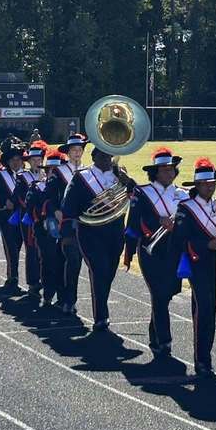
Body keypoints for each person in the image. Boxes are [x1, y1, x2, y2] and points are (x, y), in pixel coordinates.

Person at [61, 146, 135, 330]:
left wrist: (129, 182)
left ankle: (101, 304)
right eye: (102, 155)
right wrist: (68, 232)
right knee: (99, 271)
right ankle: (101, 315)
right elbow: (68, 205)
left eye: (109, 155)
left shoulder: (119, 174)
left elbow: (138, 197)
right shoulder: (81, 177)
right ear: (94, 157)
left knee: (108, 272)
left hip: (115, 232)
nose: (106, 159)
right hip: (90, 233)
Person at [124, 147, 184, 358]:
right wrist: (158, 222)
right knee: (158, 293)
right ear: (155, 172)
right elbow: (135, 222)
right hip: (151, 249)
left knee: (165, 295)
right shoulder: (142, 192)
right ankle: (165, 340)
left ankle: (154, 334)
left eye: (171, 169)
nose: (169, 173)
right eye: (164, 170)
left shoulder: (182, 194)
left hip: (174, 251)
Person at [170, 157, 216, 377]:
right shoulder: (186, 208)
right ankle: (202, 358)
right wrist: (206, 245)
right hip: (196, 262)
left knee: (212, 307)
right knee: (203, 307)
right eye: (205, 184)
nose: (210, 187)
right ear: (196, 185)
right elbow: (180, 240)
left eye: (212, 183)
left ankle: (206, 354)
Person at [48, 133, 86, 313]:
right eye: (74, 150)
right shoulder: (59, 171)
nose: (77, 153)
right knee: (70, 261)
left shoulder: (88, 172)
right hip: (66, 224)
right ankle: (68, 299)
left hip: (86, 225)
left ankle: (67, 297)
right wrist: (55, 210)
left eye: (79, 150)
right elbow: (49, 195)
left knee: (74, 262)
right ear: (68, 153)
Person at [29, 149, 64, 307]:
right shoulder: (37, 186)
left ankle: (63, 297)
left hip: (63, 229)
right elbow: (30, 206)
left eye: (56, 171)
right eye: (50, 171)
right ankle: (48, 294)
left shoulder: (67, 187)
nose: (53, 174)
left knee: (63, 262)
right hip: (43, 229)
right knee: (48, 261)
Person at [0, 144, 25, 293]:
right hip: (6, 216)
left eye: (18, 159)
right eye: (13, 160)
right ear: (8, 162)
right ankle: (13, 276)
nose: (16, 162)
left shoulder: (26, 175)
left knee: (23, 246)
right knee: (11, 246)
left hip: (24, 216)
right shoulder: (0, 175)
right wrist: (4, 201)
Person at [17, 140, 47, 299]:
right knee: (31, 249)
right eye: (34, 160)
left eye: (39, 160)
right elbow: (20, 197)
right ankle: (33, 282)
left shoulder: (47, 175)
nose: (37, 162)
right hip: (29, 217)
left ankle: (45, 279)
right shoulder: (22, 176)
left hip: (44, 218)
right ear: (28, 162)